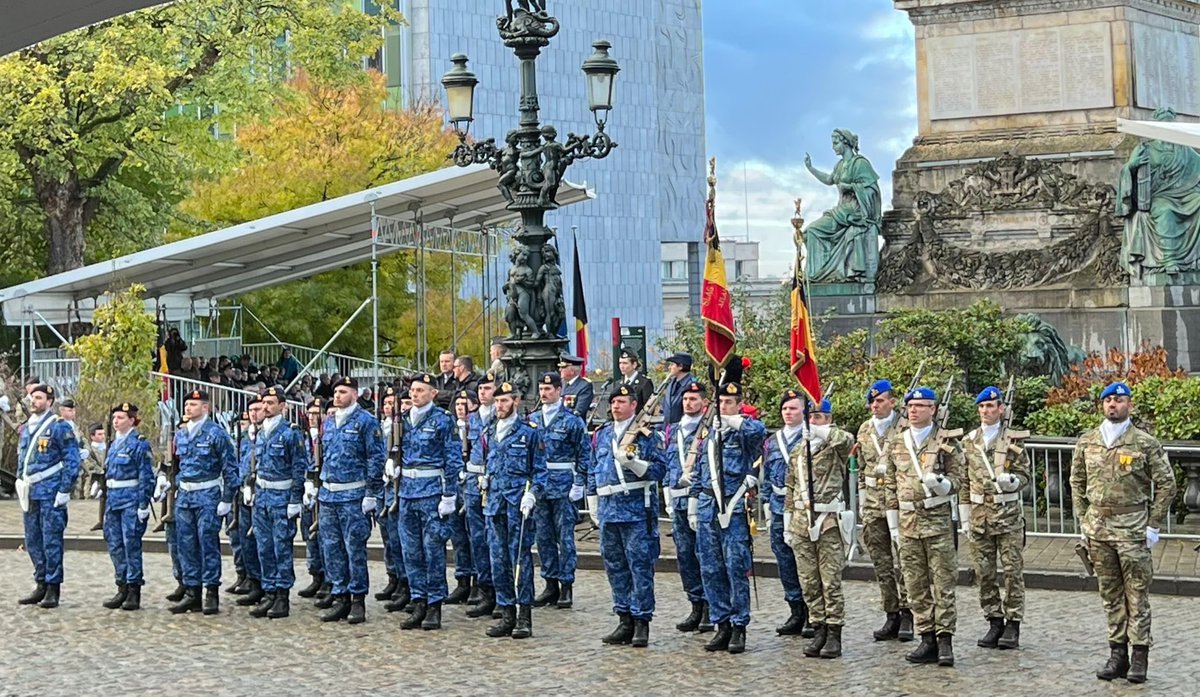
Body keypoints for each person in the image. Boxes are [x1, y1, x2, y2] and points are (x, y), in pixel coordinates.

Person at [1070, 382, 1176, 683]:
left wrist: (1154, 523)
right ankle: (1117, 654)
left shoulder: (1144, 442)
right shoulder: (1088, 441)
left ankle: (1140, 655)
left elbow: (1167, 484)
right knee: (1110, 595)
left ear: (1129, 404)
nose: (1112, 405)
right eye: (1107, 400)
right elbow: (1076, 481)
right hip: (1098, 530)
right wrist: (1082, 518)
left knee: (1137, 595)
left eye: (1118, 400)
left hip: (1132, 530)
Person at [883, 386, 964, 667]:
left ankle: (945, 640)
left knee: (943, 583)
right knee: (915, 584)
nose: (914, 410)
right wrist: (892, 523)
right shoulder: (897, 442)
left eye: (921, 405)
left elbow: (959, 479)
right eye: (911, 406)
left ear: (934, 410)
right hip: (907, 525)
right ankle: (926, 636)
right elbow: (890, 486)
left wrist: (942, 485)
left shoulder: (946, 441)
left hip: (937, 522)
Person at [690, 382, 767, 654]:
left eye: (729, 403)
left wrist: (733, 422)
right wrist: (693, 502)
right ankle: (721, 623)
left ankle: (738, 626)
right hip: (709, 506)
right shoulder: (709, 435)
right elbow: (700, 469)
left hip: (733, 509)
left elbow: (758, 432)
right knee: (710, 568)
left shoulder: (742, 431)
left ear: (738, 404)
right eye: (720, 402)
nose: (723, 407)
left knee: (736, 567)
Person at [588, 384, 666, 648]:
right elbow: (593, 467)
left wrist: (635, 463)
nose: (616, 406)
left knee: (639, 566)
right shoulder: (603, 434)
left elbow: (660, 470)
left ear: (634, 405)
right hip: (609, 509)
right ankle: (624, 618)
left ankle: (642, 621)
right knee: (615, 566)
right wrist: (592, 498)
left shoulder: (646, 435)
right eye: (613, 402)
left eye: (622, 401)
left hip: (636, 511)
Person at [960, 386, 1031, 650]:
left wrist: (1013, 481)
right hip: (979, 518)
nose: (986, 411)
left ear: (1001, 409)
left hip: (1008, 516)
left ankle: (1013, 623)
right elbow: (964, 480)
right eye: (982, 407)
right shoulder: (969, 441)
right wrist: (964, 516)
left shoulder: (1013, 439)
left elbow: (1025, 476)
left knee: (1012, 572)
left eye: (991, 406)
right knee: (984, 573)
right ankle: (994, 620)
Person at [310, 377, 386, 624]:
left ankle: (357, 599)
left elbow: (375, 458)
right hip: (330, 495)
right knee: (332, 548)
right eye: (335, 392)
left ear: (354, 393)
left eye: (342, 391)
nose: (337, 396)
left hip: (354, 495)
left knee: (354, 549)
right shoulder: (329, 421)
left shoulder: (366, 422)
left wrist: (372, 493)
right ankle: (340, 595)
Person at [784, 398, 854, 659]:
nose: (814, 421)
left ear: (828, 419)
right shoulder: (799, 451)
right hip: (802, 522)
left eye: (820, 417)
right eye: (811, 417)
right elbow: (790, 487)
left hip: (827, 523)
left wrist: (821, 431)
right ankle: (819, 628)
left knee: (830, 581)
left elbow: (847, 440)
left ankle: (835, 633)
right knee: (809, 582)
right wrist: (788, 522)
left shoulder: (834, 446)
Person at [481, 381, 548, 639]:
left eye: (505, 401)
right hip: (495, 504)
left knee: (520, 559)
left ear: (516, 402)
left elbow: (540, 471)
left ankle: (524, 615)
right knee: (498, 560)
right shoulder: (490, 431)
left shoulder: (529, 432)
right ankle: (506, 611)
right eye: (497, 401)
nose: (500, 405)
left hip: (517, 504)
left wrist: (532, 495)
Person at [396, 374, 460, 631]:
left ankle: (434, 604)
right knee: (411, 551)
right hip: (407, 494)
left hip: (432, 493)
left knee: (432, 551)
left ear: (433, 393)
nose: (415, 394)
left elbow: (452, 460)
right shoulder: (403, 421)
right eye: (412, 390)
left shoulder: (443, 421)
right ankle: (418, 600)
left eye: (421, 390)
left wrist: (449, 494)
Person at [166, 389, 239, 616]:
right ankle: (192, 592)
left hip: (207, 494)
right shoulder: (181, 434)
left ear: (205, 407)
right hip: (185, 496)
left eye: (194, 405)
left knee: (207, 543)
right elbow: (176, 465)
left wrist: (227, 498)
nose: (189, 408)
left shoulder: (216, 433)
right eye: (187, 404)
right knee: (185, 545)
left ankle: (211, 592)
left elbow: (230, 469)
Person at [15, 384, 82, 609]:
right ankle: (40, 582)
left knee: (51, 540)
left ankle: (53, 587)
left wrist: (64, 490)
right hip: (30, 492)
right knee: (33, 540)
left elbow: (72, 461)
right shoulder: (27, 428)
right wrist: (19, 481)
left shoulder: (59, 427)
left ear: (49, 402)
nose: (34, 401)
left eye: (39, 397)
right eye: (32, 397)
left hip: (51, 492)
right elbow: (22, 458)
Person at [856, 380, 913, 641]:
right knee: (881, 562)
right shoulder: (865, 430)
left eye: (880, 401)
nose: (875, 405)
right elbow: (861, 468)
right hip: (872, 505)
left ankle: (908, 612)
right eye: (872, 401)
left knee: (906, 561)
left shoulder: (905, 427)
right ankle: (891, 612)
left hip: (899, 503)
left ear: (892, 402)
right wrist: (861, 499)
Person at [247, 386, 311, 619]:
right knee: (264, 547)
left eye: (271, 403)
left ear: (282, 406)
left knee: (281, 547)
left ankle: (282, 596)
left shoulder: (290, 433)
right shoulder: (260, 432)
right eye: (264, 403)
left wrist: (295, 499)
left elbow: (298, 468)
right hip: (262, 497)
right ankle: (270, 591)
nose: (265, 407)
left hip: (282, 498)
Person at [530, 372, 591, 610]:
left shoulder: (572, 420)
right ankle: (550, 583)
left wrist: (580, 482)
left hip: (564, 484)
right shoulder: (533, 419)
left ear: (559, 391)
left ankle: (566, 585)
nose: (544, 393)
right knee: (543, 537)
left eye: (548, 389)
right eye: (541, 389)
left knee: (565, 538)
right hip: (541, 485)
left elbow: (584, 453)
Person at [660, 381, 712, 633]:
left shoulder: (709, 429)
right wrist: (667, 495)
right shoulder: (672, 431)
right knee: (685, 556)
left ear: (704, 402)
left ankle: (712, 606)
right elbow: (668, 465)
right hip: (678, 502)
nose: (688, 403)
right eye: (685, 399)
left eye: (693, 399)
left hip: (701, 502)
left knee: (706, 555)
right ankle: (696, 604)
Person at [764, 389, 812, 638]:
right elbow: (766, 472)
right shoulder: (773, 440)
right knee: (784, 560)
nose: (788, 413)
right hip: (778, 504)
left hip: (802, 507)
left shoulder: (810, 437)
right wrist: (765, 503)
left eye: (793, 408)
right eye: (785, 408)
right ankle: (795, 609)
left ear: (804, 411)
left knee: (805, 560)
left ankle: (812, 612)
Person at [100, 402, 155, 611]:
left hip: (131, 499)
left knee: (130, 544)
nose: (116, 421)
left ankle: (133, 589)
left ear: (132, 420)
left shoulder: (138, 444)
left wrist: (143, 503)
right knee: (115, 544)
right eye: (114, 418)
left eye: (121, 418)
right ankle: (121, 585)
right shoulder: (114, 444)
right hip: (113, 500)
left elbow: (146, 477)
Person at [463, 376, 498, 620]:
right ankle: (485, 590)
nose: (483, 393)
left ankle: (501, 593)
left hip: (496, 485)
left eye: (488, 388)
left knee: (496, 541)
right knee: (477, 539)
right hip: (473, 484)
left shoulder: (502, 419)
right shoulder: (472, 419)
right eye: (481, 389)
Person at [375, 387, 411, 612]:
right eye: (387, 403)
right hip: (383, 488)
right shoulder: (380, 428)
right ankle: (394, 578)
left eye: (396, 403)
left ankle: (406, 584)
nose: (391, 407)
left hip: (402, 488)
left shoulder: (404, 427)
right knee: (388, 537)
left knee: (402, 539)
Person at [232, 399, 266, 609]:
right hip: (243, 493)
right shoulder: (245, 436)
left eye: (257, 409)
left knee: (263, 542)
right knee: (246, 540)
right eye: (250, 410)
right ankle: (253, 581)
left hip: (263, 493)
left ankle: (269, 587)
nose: (254, 413)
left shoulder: (267, 433)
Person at [297, 397, 330, 600]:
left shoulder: (327, 435)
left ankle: (328, 578)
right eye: (309, 413)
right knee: (309, 534)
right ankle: (315, 575)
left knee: (324, 536)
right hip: (307, 489)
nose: (312, 417)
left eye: (317, 413)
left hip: (325, 490)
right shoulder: (303, 436)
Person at [661, 353, 697, 426]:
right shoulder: (670, 384)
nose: (669, 367)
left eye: (672, 364)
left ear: (680, 366)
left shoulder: (691, 385)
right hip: (667, 430)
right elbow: (663, 409)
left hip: (683, 429)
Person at [558, 355, 594, 421]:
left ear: (572, 371)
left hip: (573, 425)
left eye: (563, 367)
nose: (560, 369)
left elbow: (579, 411)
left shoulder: (584, 386)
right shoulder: (560, 383)